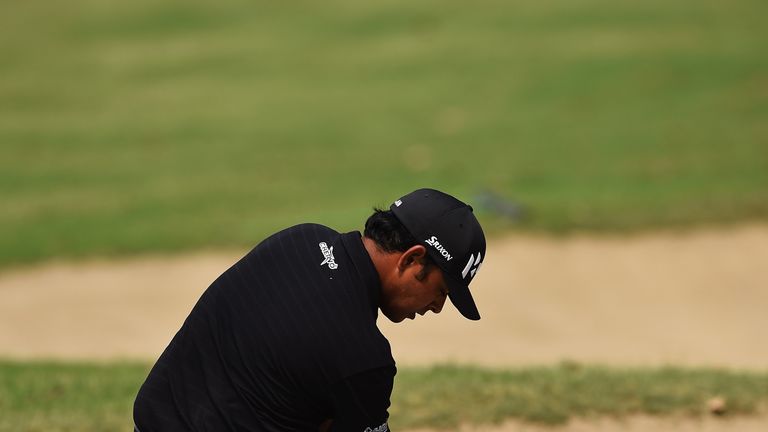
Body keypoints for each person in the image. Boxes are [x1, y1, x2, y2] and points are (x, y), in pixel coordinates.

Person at [133, 188, 486, 431]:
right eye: (441, 291)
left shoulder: (299, 238)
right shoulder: (363, 358)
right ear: (411, 259)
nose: (437, 307)